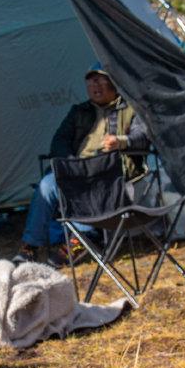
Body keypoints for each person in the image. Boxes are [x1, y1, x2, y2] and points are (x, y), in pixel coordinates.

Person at [18, 67, 150, 264]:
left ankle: (83, 238)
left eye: (100, 80)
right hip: (77, 167)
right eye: (91, 81)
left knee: (86, 187)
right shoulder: (79, 111)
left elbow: (143, 137)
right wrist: (71, 162)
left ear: (114, 82)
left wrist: (121, 141)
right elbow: (59, 141)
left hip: (110, 171)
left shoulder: (130, 109)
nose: (95, 86)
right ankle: (31, 246)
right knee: (47, 186)